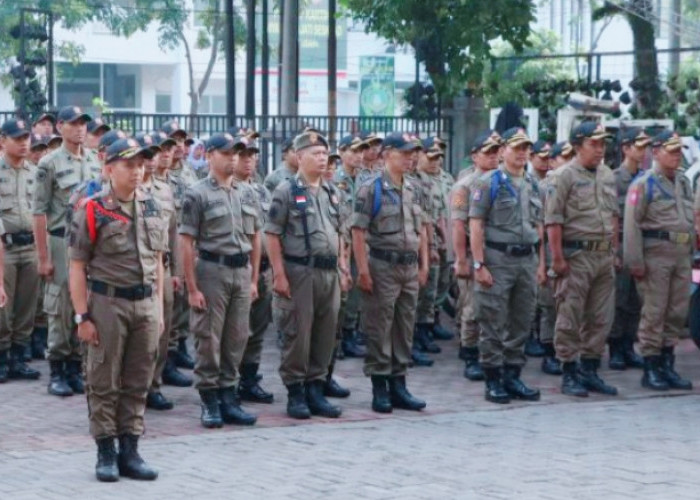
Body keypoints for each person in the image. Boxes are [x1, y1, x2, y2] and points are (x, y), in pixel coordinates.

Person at [68, 137, 164, 482]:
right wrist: (82, 316)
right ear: (109, 169)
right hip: (107, 304)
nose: (137, 171)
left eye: (141, 164)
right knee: (103, 379)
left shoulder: (153, 205)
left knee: (139, 380)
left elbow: (157, 261)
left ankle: (131, 450)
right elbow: (77, 266)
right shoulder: (92, 208)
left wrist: (160, 309)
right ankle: (105, 451)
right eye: (129, 165)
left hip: (145, 305)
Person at [179, 133, 261, 428]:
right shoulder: (196, 193)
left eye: (236, 154)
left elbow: (256, 236)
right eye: (227, 153)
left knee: (237, 337)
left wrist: (253, 278)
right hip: (212, 270)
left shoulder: (247, 192)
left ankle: (229, 396)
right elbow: (186, 242)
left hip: (240, 272)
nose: (233, 159)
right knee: (209, 338)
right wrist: (192, 287)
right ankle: (209, 400)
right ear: (210, 155)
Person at [265, 130, 346, 420]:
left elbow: (340, 234)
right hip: (300, 271)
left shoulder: (332, 192)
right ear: (299, 157)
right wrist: (279, 275)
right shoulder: (286, 191)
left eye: (324, 153)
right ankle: (296, 391)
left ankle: (316, 387)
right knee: (298, 333)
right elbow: (272, 235)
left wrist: (344, 266)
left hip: (329, 273)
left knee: (326, 333)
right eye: (315, 153)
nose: (322, 158)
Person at [352, 132, 429, 414]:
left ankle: (399, 383)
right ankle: (380, 386)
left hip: (408, 266)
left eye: (413, 154)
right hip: (382, 265)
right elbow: (358, 232)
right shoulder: (371, 188)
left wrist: (424, 265)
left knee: (405, 325)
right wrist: (362, 270)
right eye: (405, 153)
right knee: (380, 325)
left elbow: (421, 230)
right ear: (387, 154)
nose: (411, 158)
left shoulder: (414, 188)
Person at [468, 127, 545, 404]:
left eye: (526, 147)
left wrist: (541, 263)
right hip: (498, 260)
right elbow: (475, 225)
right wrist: (479, 264)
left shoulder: (533, 183)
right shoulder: (488, 183)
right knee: (492, 321)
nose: (522, 152)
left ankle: (513, 375)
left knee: (522, 320)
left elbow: (540, 226)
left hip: (527, 259)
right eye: (517, 147)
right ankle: (493, 380)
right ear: (503, 151)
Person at [545, 122, 619, 397]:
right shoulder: (562, 176)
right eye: (594, 144)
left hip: (602, 254)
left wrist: (614, 250)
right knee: (570, 314)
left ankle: (590, 370)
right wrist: (557, 258)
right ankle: (568, 370)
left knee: (601, 317)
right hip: (576, 255)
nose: (600, 150)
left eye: (603, 144)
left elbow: (613, 216)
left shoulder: (607, 175)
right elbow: (553, 220)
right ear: (577, 146)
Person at [33, 105, 101, 397]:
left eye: (83, 123)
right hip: (62, 239)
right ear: (60, 127)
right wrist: (44, 257)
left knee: (84, 301)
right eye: (73, 124)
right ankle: (58, 368)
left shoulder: (96, 161)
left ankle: (75, 365)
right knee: (61, 302)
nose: (79, 128)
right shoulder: (49, 163)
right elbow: (39, 212)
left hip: (91, 242)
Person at [626, 131, 694, 391]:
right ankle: (651, 367)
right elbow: (632, 225)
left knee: (676, 312)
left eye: (679, 151)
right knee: (654, 312)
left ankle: (667, 364)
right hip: (655, 255)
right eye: (671, 150)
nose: (677, 156)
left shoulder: (683, 182)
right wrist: (635, 261)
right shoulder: (644, 184)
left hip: (680, 255)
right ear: (656, 152)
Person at [451, 130, 501, 381]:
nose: (494, 157)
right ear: (474, 156)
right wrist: (461, 259)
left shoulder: (504, 181)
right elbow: (460, 226)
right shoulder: (464, 186)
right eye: (488, 152)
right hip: (473, 254)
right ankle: (469, 353)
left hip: (498, 254)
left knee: (495, 308)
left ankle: (489, 352)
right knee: (472, 307)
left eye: (497, 152)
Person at [136, 132, 182, 411]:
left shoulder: (164, 190)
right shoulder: (119, 189)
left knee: (162, 331)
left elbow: (173, 232)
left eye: (153, 155)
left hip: (160, 270)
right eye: (146, 155)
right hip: (133, 270)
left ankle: (154, 385)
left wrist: (176, 270)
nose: (151, 160)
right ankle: (134, 388)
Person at [232, 134, 275, 404]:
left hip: (264, 270)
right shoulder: (224, 190)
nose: (249, 160)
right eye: (243, 155)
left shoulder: (261, 191)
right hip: (236, 270)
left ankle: (249, 379)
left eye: (252, 155)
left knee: (257, 330)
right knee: (235, 331)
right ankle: (226, 384)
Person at [609, 128, 649, 370]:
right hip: (621, 243)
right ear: (625, 148)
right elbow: (610, 217)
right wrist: (613, 250)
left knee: (637, 299)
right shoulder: (615, 179)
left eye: (645, 147)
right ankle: (614, 347)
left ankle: (628, 345)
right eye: (638, 146)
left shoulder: (646, 179)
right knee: (619, 298)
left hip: (642, 244)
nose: (642, 151)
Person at [160, 120, 198, 375]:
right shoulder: (160, 174)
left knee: (182, 299)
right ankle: (168, 356)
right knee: (169, 302)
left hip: (187, 241)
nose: (179, 147)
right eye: (174, 142)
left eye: (183, 142)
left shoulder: (188, 172)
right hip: (166, 241)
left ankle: (180, 345)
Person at [0, 119, 36, 381]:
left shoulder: (34, 172)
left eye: (27, 138)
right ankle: (2, 357)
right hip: (5, 247)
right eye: (18, 138)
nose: (24, 143)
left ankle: (19, 358)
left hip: (31, 246)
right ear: (3, 141)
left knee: (26, 306)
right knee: (3, 306)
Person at [334, 135, 368, 358]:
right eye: (354, 151)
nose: (358, 156)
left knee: (356, 292)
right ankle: (336, 340)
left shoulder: (365, 180)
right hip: (342, 243)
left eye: (361, 151)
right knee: (341, 294)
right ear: (342, 152)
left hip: (361, 243)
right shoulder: (335, 180)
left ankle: (349, 334)